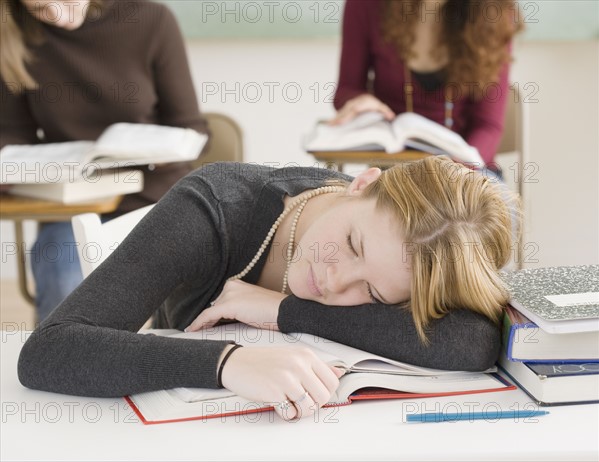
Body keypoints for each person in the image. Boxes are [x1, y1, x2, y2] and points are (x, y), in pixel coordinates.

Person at [18, 157, 519, 421]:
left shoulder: (405, 255)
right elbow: (50, 349)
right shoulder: (211, 207)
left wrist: (285, 311)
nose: (334, 280)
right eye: (351, 243)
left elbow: (475, 340)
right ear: (362, 184)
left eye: (374, 293)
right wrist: (228, 362)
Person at [0, 0, 208, 321]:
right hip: (74, 204)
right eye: (40, 9)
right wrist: (11, 164)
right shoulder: (13, 31)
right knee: (62, 274)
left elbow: (191, 128)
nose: (57, 16)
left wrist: (149, 150)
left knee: (182, 284)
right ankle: (62, 368)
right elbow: (14, 133)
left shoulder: (151, 20)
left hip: (155, 197)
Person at [332, 0, 523, 169]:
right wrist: (361, 100)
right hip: (393, 171)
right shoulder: (364, 5)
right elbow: (345, 91)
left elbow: (488, 126)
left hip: (468, 174)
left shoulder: (495, 15)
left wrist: (457, 171)